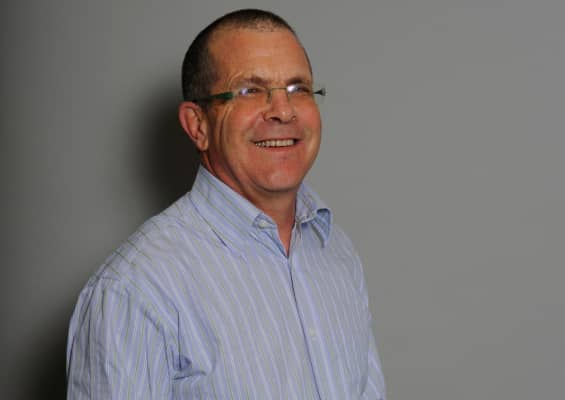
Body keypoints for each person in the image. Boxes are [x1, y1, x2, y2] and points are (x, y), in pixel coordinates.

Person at [66, 9, 386, 400]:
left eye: (298, 88)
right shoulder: (134, 290)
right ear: (197, 125)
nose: (283, 110)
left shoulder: (335, 251)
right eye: (250, 90)